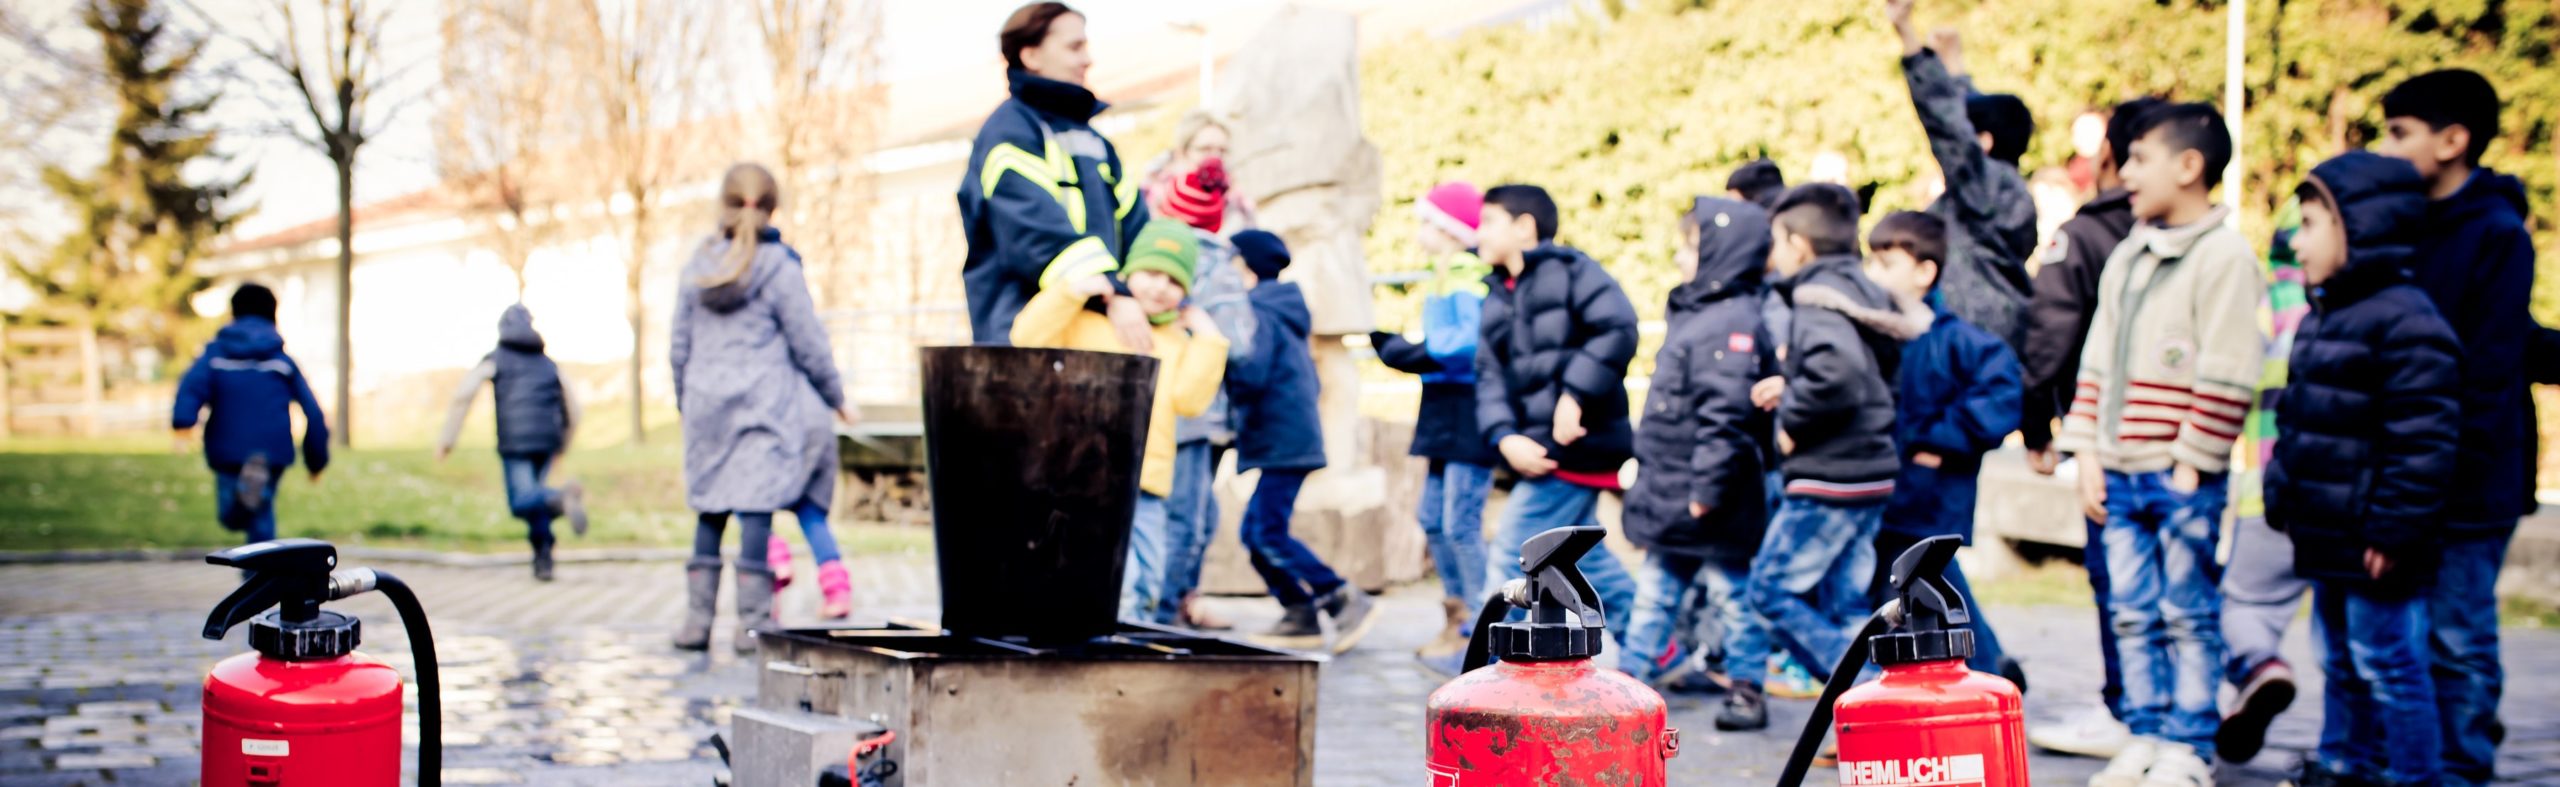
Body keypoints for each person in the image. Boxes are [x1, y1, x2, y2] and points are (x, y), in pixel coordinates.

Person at [2057, 103, 2258, 787]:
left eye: (2140, 160)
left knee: (2186, 609)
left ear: (2190, 166)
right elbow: (2096, 362)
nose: (2127, 173)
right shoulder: (2128, 255)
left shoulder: (2223, 255)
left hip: (2178, 475)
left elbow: (2229, 367)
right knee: (2132, 610)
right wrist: (2086, 451)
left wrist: (2192, 459)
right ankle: (2143, 730)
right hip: (2118, 468)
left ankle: (2188, 743)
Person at [2373, 69, 2560, 787]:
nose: (2387, 148)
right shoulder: (2403, 223)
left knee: (2458, 634)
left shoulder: (2497, 233)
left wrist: (2446, 468)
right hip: (2411, 471)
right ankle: (2414, 758)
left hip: (2474, 476)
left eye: (2400, 133)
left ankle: (2461, 765)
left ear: (2452, 140)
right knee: (2402, 636)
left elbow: (2492, 363)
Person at [2264, 149, 2461, 787]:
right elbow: (2298, 419)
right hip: (2329, 536)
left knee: (2389, 661)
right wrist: (2283, 492)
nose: (2298, 238)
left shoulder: (2408, 321)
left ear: (2362, 228)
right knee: (2339, 660)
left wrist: (2393, 529)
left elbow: (2424, 441)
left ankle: (2413, 775)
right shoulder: (2326, 315)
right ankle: (2349, 765)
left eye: (2315, 223)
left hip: (2376, 541)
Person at [1718, 184, 1929, 732]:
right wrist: (1790, 383)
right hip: (1870, 470)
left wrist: (1791, 425)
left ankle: (1867, 696)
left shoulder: (1815, 297)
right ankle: (1876, 714)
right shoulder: (1861, 292)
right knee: (1841, 602)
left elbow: (1838, 375)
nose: (1773, 254)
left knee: (1769, 590)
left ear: (1799, 244)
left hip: (1829, 475)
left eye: (1777, 241)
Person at [2020, 95, 2167, 761]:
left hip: (2114, 438)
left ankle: (2133, 710)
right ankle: (2172, 710)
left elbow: (2051, 337)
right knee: (2180, 586)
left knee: (2122, 579)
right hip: (2182, 441)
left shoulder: (2085, 235)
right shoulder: (2199, 240)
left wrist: (2037, 426)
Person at [1012, 220, 1230, 628]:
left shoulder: (1176, 342)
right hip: (1081, 477)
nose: (1159, 286)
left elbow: (1190, 399)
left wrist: (1209, 341)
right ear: (1129, 271)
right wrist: (1071, 291)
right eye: (1151, 272)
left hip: (1146, 482)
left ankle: (1126, 647)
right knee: (1113, 578)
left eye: (1173, 279)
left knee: (1147, 577)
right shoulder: (1087, 323)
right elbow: (1027, 337)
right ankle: (1102, 650)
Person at [670, 164, 851, 654]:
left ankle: (695, 623)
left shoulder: (698, 264)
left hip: (707, 403)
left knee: (709, 512)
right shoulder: (778, 267)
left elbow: (679, 343)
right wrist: (836, 396)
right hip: (761, 405)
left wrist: (684, 399)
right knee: (755, 513)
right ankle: (751, 627)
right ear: (772, 207)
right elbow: (808, 341)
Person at [1861, 211, 2025, 688]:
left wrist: (1938, 443)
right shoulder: (1877, 332)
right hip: (1886, 493)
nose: (1876, 275)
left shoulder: (1958, 341)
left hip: (1932, 496)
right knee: (1913, 596)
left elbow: (2000, 397)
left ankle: (1990, 677)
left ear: (1923, 271)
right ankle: (1987, 672)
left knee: (1938, 590)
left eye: (1887, 263)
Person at [1617, 197, 1775, 691]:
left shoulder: (1729, 321)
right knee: (1656, 593)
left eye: (1690, 249)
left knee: (1732, 593)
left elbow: (1723, 415)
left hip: (1706, 495)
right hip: (1676, 489)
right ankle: (1628, 686)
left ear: (1720, 255)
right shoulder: (1700, 313)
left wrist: (1706, 490)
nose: (1681, 259)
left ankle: (1747, 684)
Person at [1471, 184, 1641, 641]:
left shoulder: (1573, 270)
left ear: (1524, 227)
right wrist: (1505, 435)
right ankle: (1658, 645)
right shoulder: (1496, 293)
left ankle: (1486, 666)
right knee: (1574, 558)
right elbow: (1488, 375)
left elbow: (1618, 327)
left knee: (1514, 549)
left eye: (1488, 221)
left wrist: (1574, 394)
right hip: (1535, 447)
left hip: (1575, 445)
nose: (1477, 232)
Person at [959, 2, 1153, 350]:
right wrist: (1115, 292)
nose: (1088, 59)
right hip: (1025, 337)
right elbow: (1035, 233)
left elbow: (1138, 228)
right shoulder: (1009, 132)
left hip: (1093, 333)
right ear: (1031, 56)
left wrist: (1149, 285)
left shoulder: (1096, 142)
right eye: (1074, 47)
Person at [1224, 229, 1379, 653]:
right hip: (1288, 437)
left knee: (1267, 533)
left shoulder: (1258, 308)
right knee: (1256, 532)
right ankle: (1299, 612)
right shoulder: (1281, 306)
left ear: (1245, 267)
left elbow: (1251, 373)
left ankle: (1342, 597)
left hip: (1283, 439)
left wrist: (1219, 361)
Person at [1370, 181, 1499, 672]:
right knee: (1432, 518)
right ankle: (1457, 615)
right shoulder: (1445, 272)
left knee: (1459, 522)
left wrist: (1416, 351)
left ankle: (1479, 628)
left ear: (1448, 229)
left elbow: (1466, 346)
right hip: (1442, 405)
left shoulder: (1468, 273)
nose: (1420, 231)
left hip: (1468, 408)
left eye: (1428, 221)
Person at [2210, 204, 2312, 766]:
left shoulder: (2270, 310)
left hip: (2266, 494)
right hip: (2347, 501)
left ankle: (2259, 668)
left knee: (2244, 607)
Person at [1150, 110, 1258, 631]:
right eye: (1203, 148)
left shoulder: (1239, 219)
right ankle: (1161, 615)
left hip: (1217, 401)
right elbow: (1236, 335)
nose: (1213, 160)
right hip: (1185, 397)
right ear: (1179, 155)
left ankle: (1180, 600)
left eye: (1222, 150)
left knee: (1201, 516)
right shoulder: (1168, 226)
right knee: (1182, 519)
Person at [1887, 1, 2039, 351]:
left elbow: (1950, 125)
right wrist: (1955, 65)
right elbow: (1966, 118)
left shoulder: (1986, 187)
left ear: (1983, 143)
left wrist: (1908, 35)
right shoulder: (2001, 189)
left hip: (1971, 349)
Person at [434, 305, 590, 582]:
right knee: (537, 503)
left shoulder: (496, 359)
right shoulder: (548, 363)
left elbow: (463, 394)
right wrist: (563, 444)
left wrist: (447, 440)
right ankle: (543, 561)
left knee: (521, 502)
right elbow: (574, 407)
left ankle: (560, 498)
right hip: (546, 442)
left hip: (515, 444)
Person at [172, 283, 330, 545]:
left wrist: (183, 423)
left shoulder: (214, 357)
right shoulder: (282, 362)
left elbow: (191, 387)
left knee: (232, 516)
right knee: (261, 515)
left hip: (228, 448)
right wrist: (316, 461)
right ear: (273, 315)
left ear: (233, 313)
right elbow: (313, 412)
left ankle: (244, 507)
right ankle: (260, 577)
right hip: (271, 450)